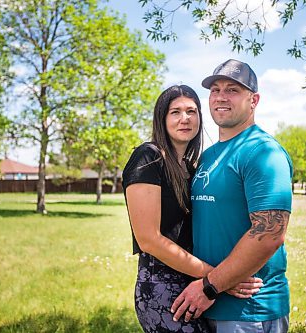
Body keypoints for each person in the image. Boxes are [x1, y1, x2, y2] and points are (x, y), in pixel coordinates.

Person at [123, 84, 263, 333]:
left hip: (195, 284)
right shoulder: (149, 157)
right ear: (162, 118)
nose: (185, 118)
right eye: (175, 112)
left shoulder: (192, 167)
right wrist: (218, 278)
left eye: (192, 111)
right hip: (162, 287)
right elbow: (149, 240)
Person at [171, 59, 293, 333]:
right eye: (215, 89)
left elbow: (269, 234)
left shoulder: (263, 152)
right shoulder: (207, 156)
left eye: (232, 90)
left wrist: (209, 286)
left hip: (250, 311)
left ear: (254, 100)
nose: (221, 97)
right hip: (206, 306)